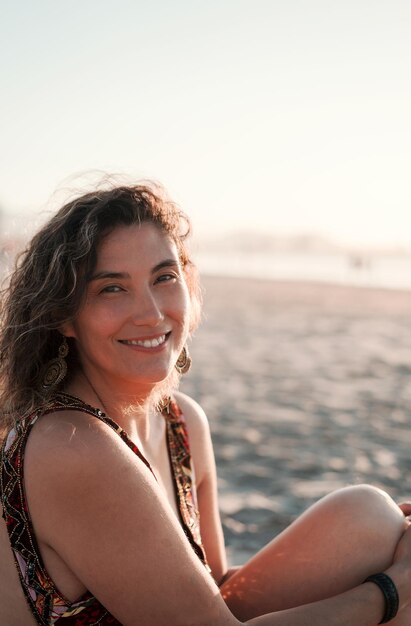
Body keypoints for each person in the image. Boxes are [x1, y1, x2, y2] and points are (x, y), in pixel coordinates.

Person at [0, 181, 411, 626]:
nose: (153, 313)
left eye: (164, 277)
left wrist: (374, 563)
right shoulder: (71, 444)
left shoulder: (182, 422)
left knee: (369, 519)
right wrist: (394, 588)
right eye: (112, 289)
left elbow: (211, 591)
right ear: (63, 316)